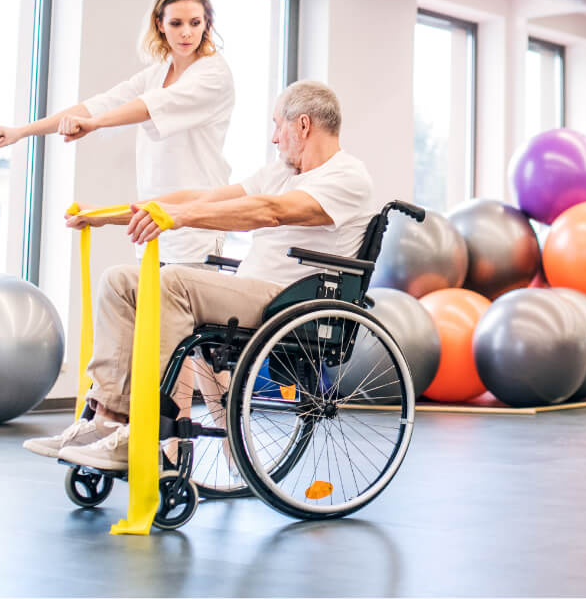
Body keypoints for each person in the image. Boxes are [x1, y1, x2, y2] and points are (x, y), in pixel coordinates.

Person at [23, 80, 375, 471]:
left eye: (278, 126)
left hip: (290, 302)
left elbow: (268, 211)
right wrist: (110, 213)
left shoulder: (348, 177)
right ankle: (107, 419)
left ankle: (151, 426)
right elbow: (201, 198)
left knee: (173, 280)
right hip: (254, 293)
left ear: (303, 125)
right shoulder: (282, 172)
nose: (274, 139)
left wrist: (180, 220)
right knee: (121, 281)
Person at [0, 0, 234, 264]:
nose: (186, 33)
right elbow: (100, 103)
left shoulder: (213, 75)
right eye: (176, 23)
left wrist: (95, 125)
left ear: (207, 23)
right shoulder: (157, 73)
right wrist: (21, 132)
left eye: (195, 23)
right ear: (160, 24)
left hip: (195, 227)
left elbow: (148, 107)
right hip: (151, 222)